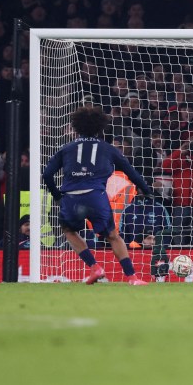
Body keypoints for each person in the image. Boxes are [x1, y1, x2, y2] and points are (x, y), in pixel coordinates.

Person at [41, 106, 153, 285]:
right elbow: (132, 173)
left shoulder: (67, 148)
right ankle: (132, 277)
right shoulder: (108, 149)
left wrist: (57, 195)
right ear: (100, 127)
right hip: (95, 197)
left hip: (71, 198)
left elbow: (47, 174)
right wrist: (147, 191)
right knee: (113, 236)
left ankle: (94, 267)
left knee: (69, 231)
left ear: (76, 127)